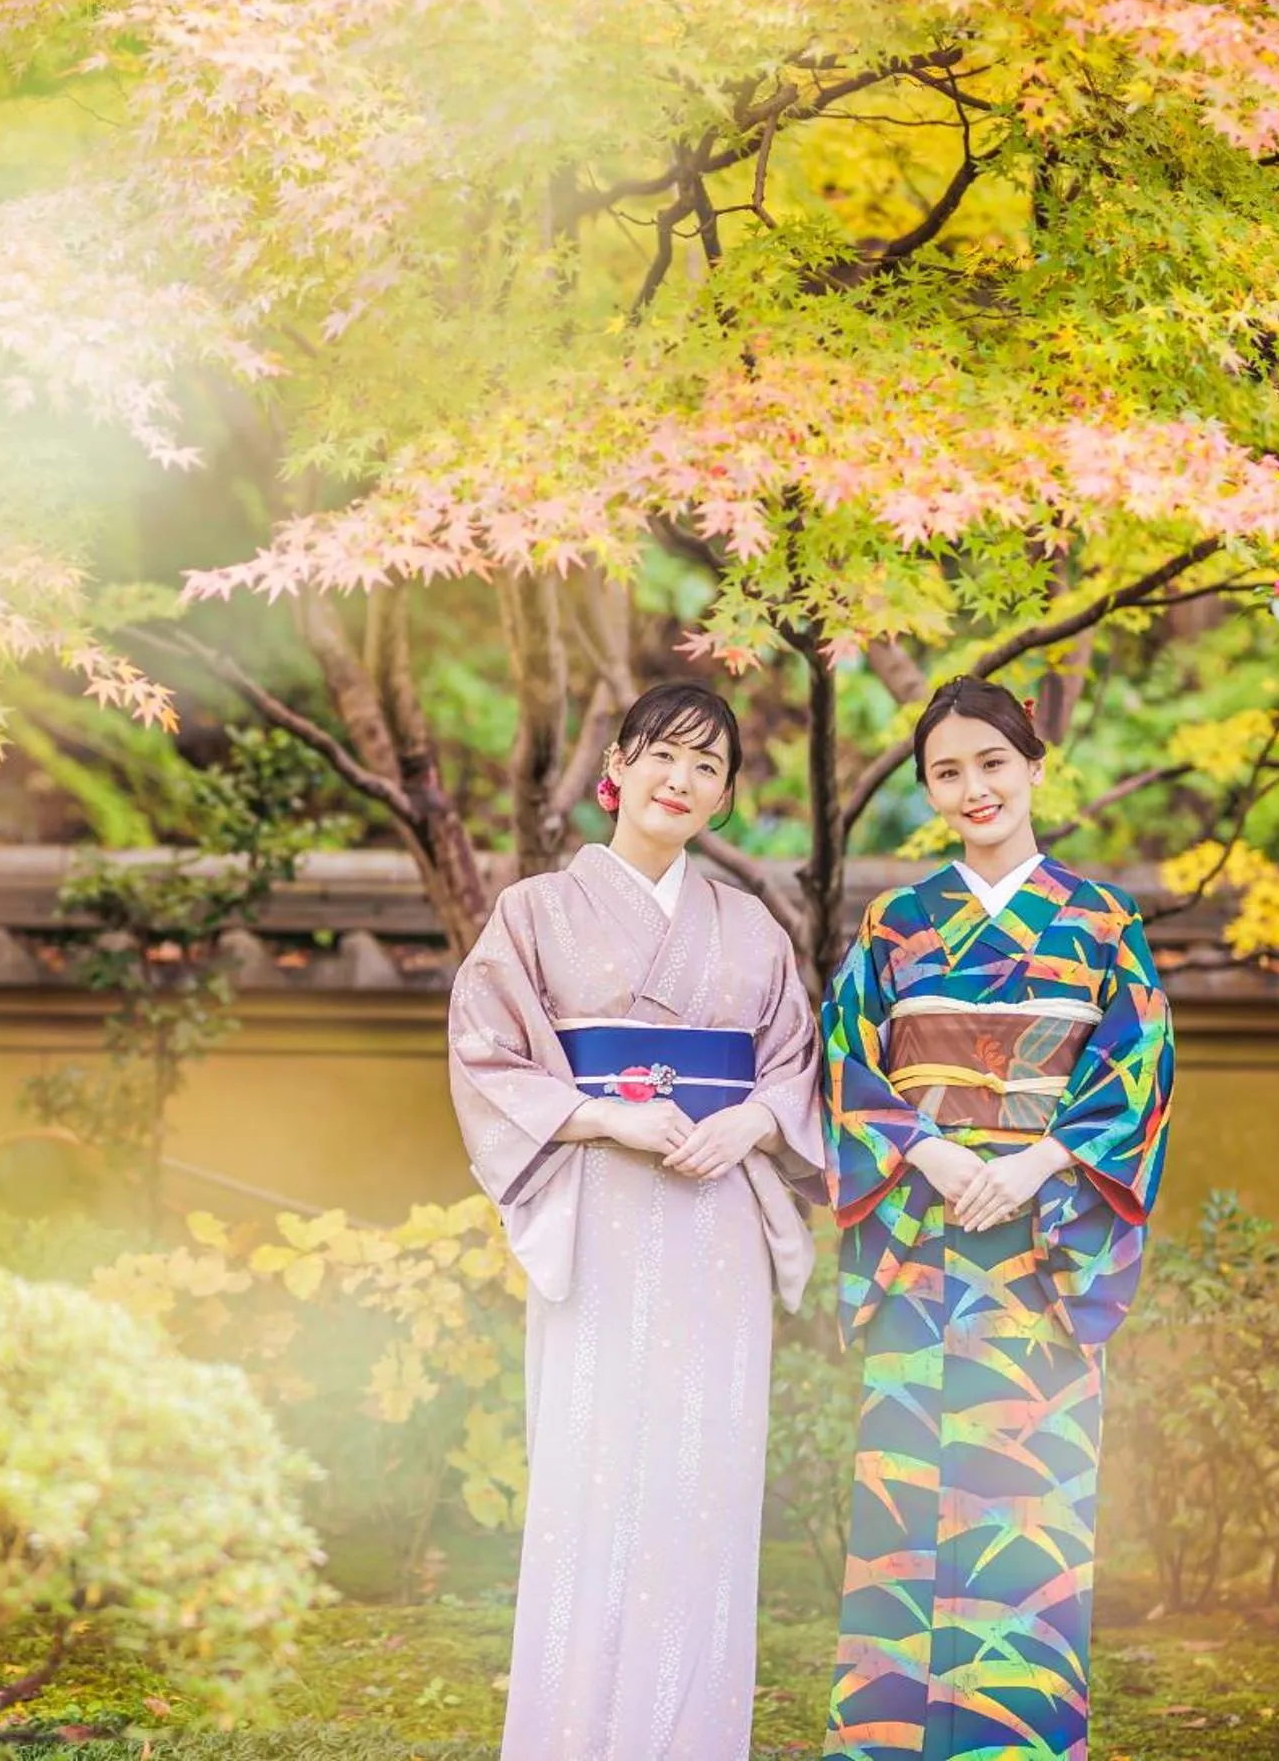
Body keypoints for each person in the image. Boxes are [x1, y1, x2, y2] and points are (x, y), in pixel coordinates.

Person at [448, 680, 826, 1761]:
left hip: (715, 1225)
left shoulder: (747, 928)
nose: (680, 779)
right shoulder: (531, 913)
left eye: (706, 766)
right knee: (592, 1470)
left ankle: (692, 1738)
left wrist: (752, 1118)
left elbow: (795, 1068)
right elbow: (485, 1055)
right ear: (617, 764)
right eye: (663, 753)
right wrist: (608, 1121)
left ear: (722, 797)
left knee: (703, 1480)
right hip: (602, 1211)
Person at [820, 676, 1177, 1761]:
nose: (970, 787)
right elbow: (841, 1063)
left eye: (989, 762)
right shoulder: (896, 922)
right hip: (918, 1250)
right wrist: (921, 1146)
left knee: (1024, 1515)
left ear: (1031, 766)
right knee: (904, 1511)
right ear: (927, 788)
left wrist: (1032, 1167)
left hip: (1038, 1254)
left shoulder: (1100, 920)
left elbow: (1137, 1073)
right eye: (945, 772)